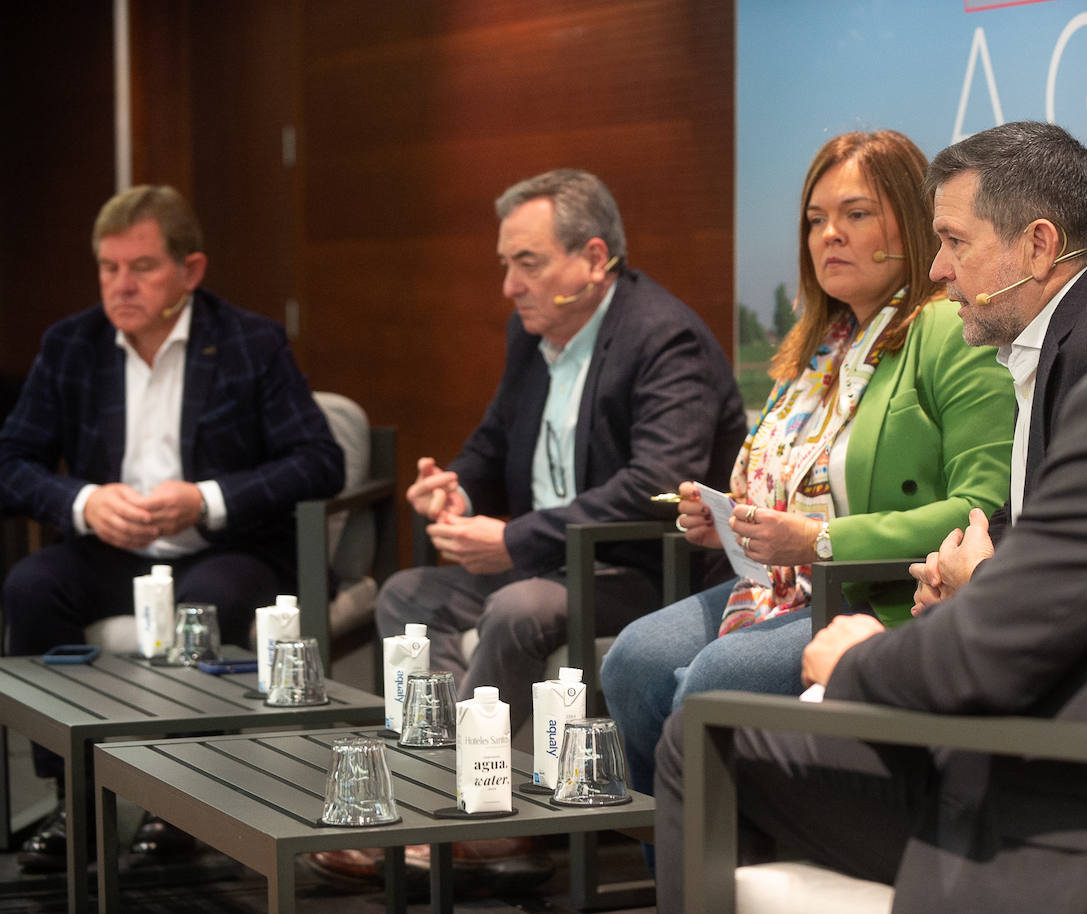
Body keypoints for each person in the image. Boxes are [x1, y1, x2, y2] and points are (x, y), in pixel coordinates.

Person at [651, 68, 1087, 912]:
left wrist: (854, 660)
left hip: (1072, 817)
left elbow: (980, 657)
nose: (939, 270)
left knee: (699, 741)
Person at [341, 168, 745, 892]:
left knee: (515, 607)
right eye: (505, 264)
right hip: (553, 563)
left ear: (593, 260)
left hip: (647, 572)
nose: (509, 285)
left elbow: (656, 488)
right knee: (407, 597)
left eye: (527, 263)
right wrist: (455, 486)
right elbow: (495, 443)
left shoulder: (664, 339)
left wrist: (514, 541)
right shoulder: (533, 335)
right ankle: (448, 795)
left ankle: (479, 819)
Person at [601, 130, 1015, 804]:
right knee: (633, 661)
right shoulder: (820, 346)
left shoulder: (947, 329)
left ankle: (730, 875)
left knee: (711, 680)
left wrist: (819, 541)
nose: (829, 236)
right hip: (783, 586)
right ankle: (673, 876)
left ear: (911, 225)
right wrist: (731, 523)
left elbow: (980, 509)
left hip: (877, 595)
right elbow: (788, 490)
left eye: (855, 215)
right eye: (816, 221)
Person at [0, 185, 344, 871]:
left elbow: (318, 461)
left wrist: (208, 498)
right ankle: (73, 797)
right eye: (108, 267)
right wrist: (84, 502)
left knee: (203, 607)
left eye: (142, 267)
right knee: (31, 588)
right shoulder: (72, 345)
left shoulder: (249, 342)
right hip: (110, 550)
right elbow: (12, 461)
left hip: (225, 548)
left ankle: (177, 802)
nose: (121, 285)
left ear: (190, 271)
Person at [910, 121, 1087, 612]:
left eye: (955, 241)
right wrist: (950, 568)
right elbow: (1036, 518)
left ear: (1038, 246)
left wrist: (979, 583)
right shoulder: (1059, 333)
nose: (937, 270)